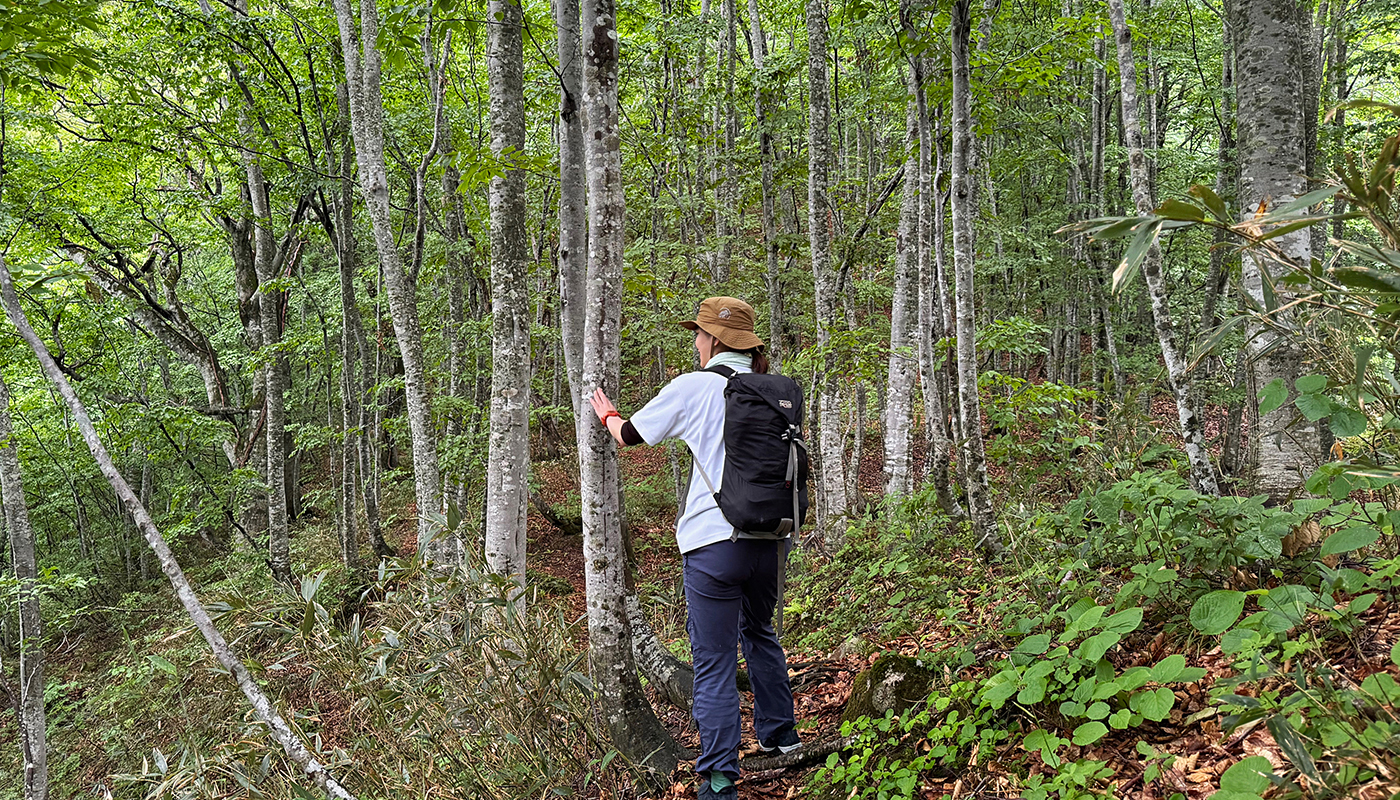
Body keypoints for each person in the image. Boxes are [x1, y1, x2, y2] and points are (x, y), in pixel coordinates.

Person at [588, 296, 802, 800]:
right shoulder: (779, 391)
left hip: (712, 544)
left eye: (699, 335)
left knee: (712, 660)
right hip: (771, 540)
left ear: (713, 341)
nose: (696, 343)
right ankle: (781, 738)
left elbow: (631, 435)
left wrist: (607, 413)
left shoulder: (692, 387)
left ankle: (721, 778)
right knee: (760, 629)